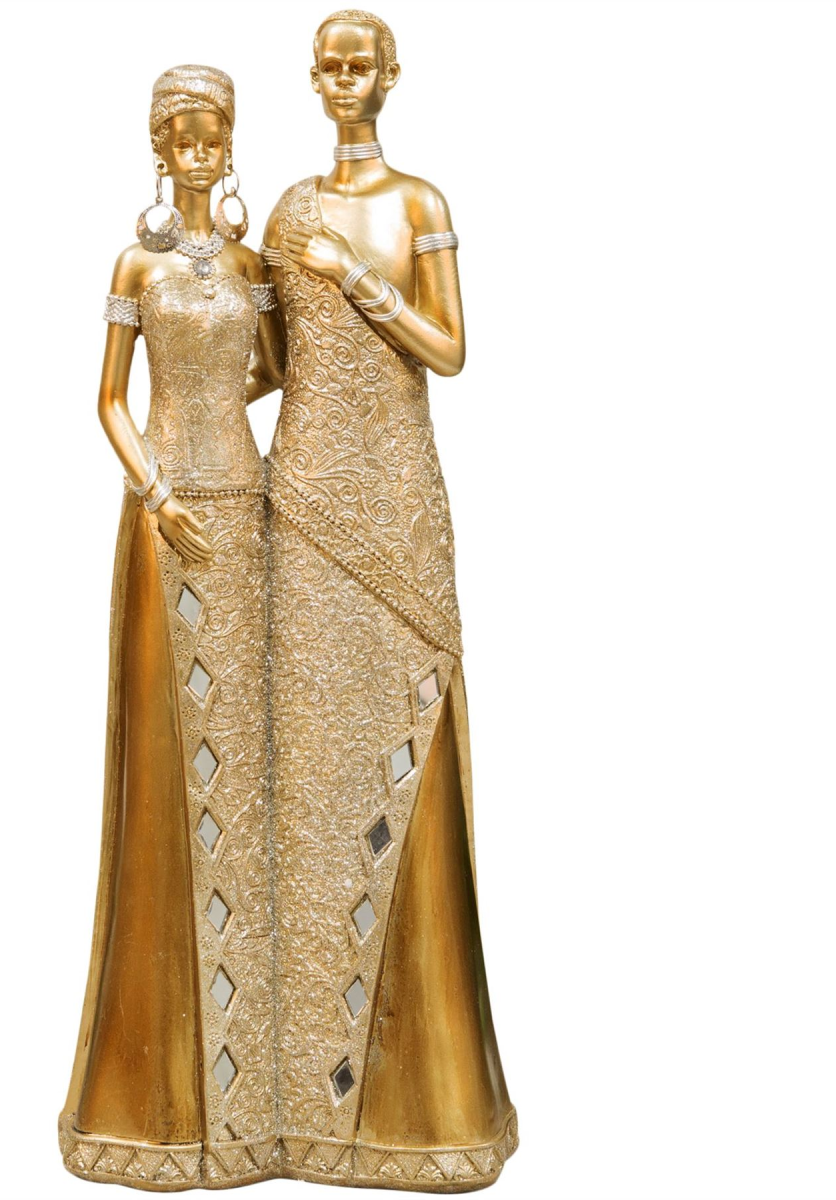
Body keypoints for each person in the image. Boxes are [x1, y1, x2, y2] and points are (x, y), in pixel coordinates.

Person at [261, 11, 518, 1189]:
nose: (341, 78)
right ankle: (297, 1097)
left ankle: (419, 1093)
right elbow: (271, 365)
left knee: (403, 742)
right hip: (302, 498)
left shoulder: (418, 203)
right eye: (327, 62)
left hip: (398, 499)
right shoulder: (284, 211)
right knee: (304, 763)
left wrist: (356, 276)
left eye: (359, 62)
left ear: (392, 77)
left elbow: (450, 350)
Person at [58, 64, 285, 1190]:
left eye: (214, 135)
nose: (199, 151)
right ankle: (164, 1084)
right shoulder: (135, 265)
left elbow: (280, 375)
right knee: (169, 758)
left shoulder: (252, 267)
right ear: (160, 149)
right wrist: (158, 489)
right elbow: (107, 399)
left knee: (248, 757)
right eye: (182, 136)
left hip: (246, 511)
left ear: (230, 145)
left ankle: (260, 1074)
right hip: (168, 517)